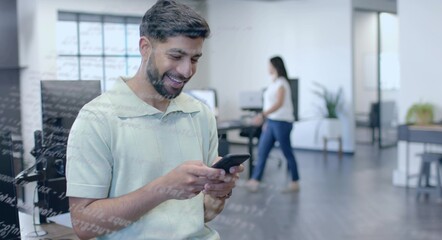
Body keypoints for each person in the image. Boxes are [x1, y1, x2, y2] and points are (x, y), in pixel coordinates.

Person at [65, 1, 243, 239]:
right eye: (176, 55)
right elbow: (84, 225)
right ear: (145, 47)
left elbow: (204, 214)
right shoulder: (97, 119)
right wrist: (163, 188)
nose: (186, 71)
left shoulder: (200, 114)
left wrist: (219, 192)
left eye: (194, 59)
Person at [245, 56, 300, 193]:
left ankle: (295, 181)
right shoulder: (273, 83)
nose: (267, 68)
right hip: (272, 122)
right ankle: (255, 180)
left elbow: (279, 104)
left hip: (282, 123)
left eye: (269, 65)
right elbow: (270, 104)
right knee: (262, 150)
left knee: (287, 153)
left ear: (275, 66)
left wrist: (262, 115)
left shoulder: (282, 83)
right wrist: (267, 121)